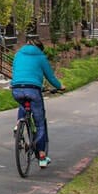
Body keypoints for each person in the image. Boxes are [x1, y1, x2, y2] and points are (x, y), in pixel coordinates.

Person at [10, 37, 63, 167]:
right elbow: (50, 77)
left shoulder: (18, 54)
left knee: (23, 105)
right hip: (33, 90)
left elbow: (15, 71)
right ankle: (42, 156)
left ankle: (19, 124)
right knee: (40, 123)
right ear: (40, 48)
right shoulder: (41, 57)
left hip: (16, 88)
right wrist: (60, 86)